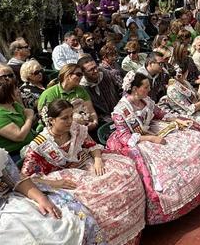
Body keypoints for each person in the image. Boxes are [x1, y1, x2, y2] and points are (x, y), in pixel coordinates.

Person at [105, 72, 200, 224]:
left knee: (194, 139)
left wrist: (176, 119)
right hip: (137, 141)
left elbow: (159, 113)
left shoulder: (145, 100)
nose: (149, 90)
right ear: (135, 88)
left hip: (152, 129)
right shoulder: (120, 111)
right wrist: (151, 138)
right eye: (146, 87)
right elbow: (125, 138)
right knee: (165, 164)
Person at [21, 99, 145, 245]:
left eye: (70, 116)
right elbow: (25, 178)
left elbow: (92, 145)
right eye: (64, 118)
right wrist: (54, 182)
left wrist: (98, 160)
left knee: (121, 176)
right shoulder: (39, 145)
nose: (69, 121)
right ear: (51, 120)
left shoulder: (76, 129)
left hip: (86, 164)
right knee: (93, 201)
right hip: (62, 179)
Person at [0, 69, 37, 162]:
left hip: (29, 146)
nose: (18, 91)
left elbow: (27, 124)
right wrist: (29, 117)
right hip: (14, 155)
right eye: (15, 89)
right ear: (6, 93)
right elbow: (19, 136)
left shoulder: (14, 105)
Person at [37, 64, 98, 133]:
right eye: (78, 74)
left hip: (83, 128)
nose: (81, 77)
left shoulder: (81, 90)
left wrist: (94, 123)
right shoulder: (49, 94)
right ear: (68, 75)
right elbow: (46, 120)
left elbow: (91, 110)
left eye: (82, 74)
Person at [77, 56, 120, 123]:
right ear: (83, 73)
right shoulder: (83, 89)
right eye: (91, 70)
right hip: (102, 122)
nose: (96, 71)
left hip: (119, 112)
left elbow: (121, 91)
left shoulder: (107, 75)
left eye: (95, 67)